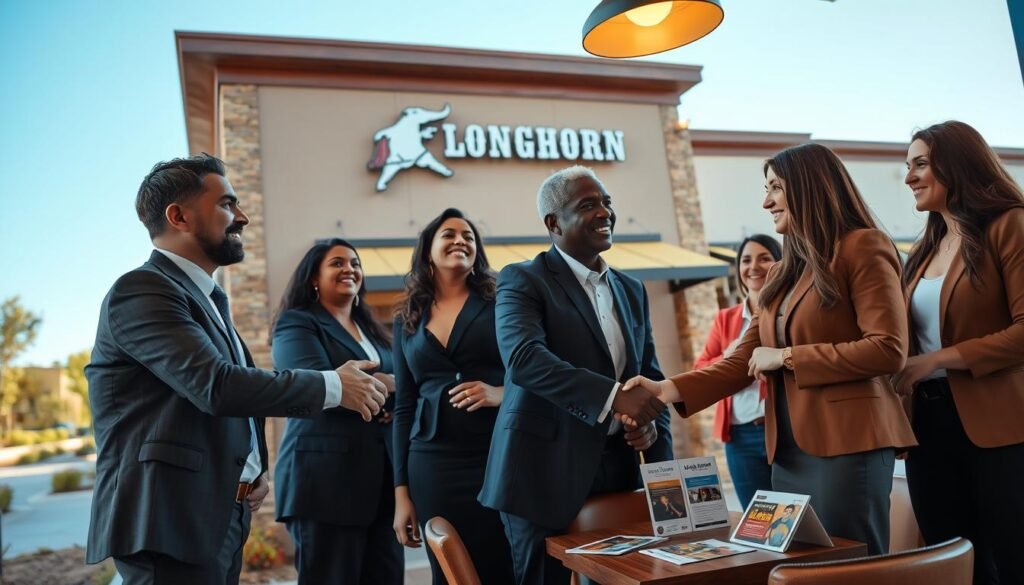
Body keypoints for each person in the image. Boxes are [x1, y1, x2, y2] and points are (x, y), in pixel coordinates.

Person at [85, 154, 388, 585]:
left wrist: (252, 469)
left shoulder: (209, 299)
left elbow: (226, 396)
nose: (241, 217)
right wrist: (334, 385)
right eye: (227, 204)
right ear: (178, 216)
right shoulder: (142, 291)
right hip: (167, 516)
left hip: (217, 513)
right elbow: (216, 385)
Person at [622, 144, 916, 555]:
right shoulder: (785, 271)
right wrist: (665, 389)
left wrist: (787, 357)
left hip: (850, 444)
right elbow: (743, 358)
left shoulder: (863, 247)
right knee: (799, 567)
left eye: (775, 188)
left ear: (807, 188)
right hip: (790, 454)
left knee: (851, 567)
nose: (766, 201)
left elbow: (887, 349)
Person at [478, 166, 672, 584]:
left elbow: (649, 378)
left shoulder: (631, 289)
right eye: (588, 205)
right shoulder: (522, 279)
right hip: (539, 477)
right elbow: (526, 359)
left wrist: (652, 434)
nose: (604, 212)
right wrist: (615, 397)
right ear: (553, 223)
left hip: (616, 475)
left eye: (607, 203)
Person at [893, 120, 1024, 585]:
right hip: (928, 428)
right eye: (907, 166)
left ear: (959, 163)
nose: (908, 176)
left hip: (1002, 426)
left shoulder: (1010, 225)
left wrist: (934, 361)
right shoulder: (923, 248)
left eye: (921, 164)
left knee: (1014, 558)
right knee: (952, 565)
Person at [391, 208, 515, 585]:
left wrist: (501, 393)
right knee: (447, 571)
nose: (460, 240)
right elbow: (404, 406)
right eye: (449, 234)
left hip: (496, 453)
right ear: (428, 249)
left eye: (468, 236)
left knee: (502, 564)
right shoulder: (406, 318)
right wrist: (401, 496)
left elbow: (531, 371)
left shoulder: (502, 303)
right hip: (432, 465)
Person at [271, 239, 403, 584]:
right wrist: (386, 386)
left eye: (355, 263)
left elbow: (402, 385)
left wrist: (382, 391)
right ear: (314, 277)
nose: (350, 269)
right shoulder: (296, 324)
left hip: (380, 485)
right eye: (337, 263)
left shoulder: (374, 331)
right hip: (325, 484)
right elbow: (310, 385)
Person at [695, 234, 781, 510]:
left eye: (764, 258)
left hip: (783, 429)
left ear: (781, 264)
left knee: (794, 517)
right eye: (746, 260)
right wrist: (727, 356)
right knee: (757, 520)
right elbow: (701, 369)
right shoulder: (726, 318)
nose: (753, 267)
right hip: (739, 437)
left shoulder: (791, 311)